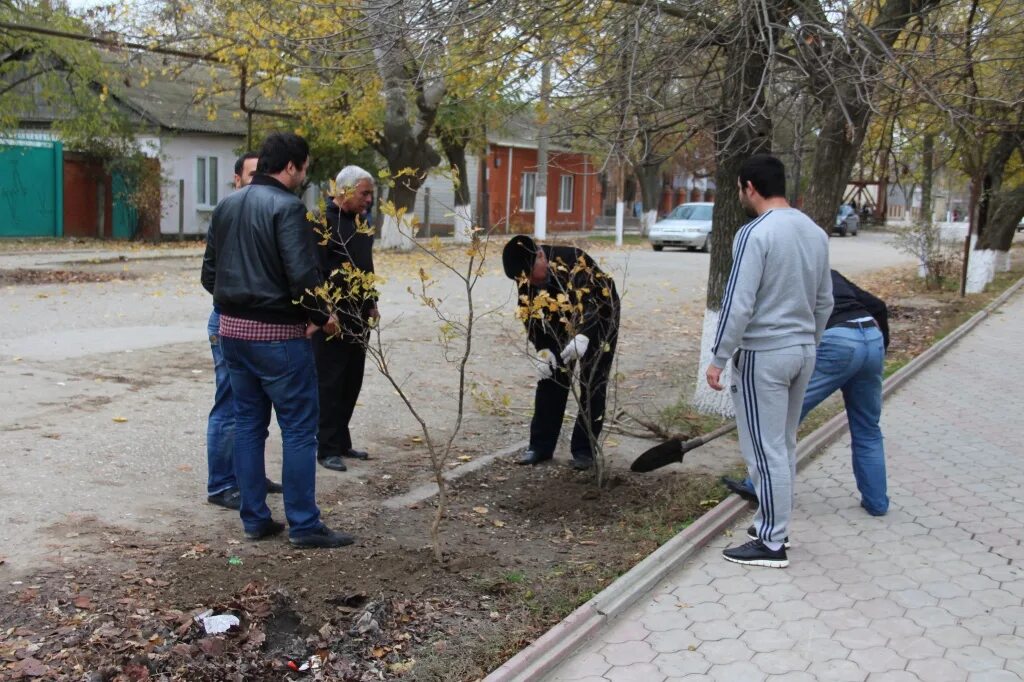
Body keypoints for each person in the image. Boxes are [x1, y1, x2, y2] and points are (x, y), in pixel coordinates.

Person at [201, 132, 353, 549]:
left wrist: (236, 305)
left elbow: (208, 276)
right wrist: (322, 317)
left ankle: (255, 519)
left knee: (249, 425)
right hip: (278, 338)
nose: (305, 176)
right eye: (304, 168)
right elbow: (303, 277)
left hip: (232, 333)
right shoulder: (288, 208)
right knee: (300, 430)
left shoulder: (227, 205)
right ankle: (304, 524)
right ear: (291, 167)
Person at [705, 153, 832, 568]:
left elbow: (738, 304)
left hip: (765, 354)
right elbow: (824, 301)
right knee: (784, 444)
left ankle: (772, 542)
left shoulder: (753, 233)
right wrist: (807, 342)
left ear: (749, 187)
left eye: (741, 189)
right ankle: (772, 526)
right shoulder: (813, 231)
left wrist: (718, 358)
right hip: (803, 351)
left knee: (764, 449)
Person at [721, 269, 890, 516]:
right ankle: (877, 503)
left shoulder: (780, 277)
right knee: (868, 428)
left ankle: (758, 488)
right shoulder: (826, 271)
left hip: (836, 343)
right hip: (870, 338)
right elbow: (878, 305)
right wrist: (880, 350)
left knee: (780, 419)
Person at [206, 152, 284, 510]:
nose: (258, 181)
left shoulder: (266, 212)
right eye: (252, 174)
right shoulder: (228, 213)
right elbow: (209, 275)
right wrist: (240, 302)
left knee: (254, 407)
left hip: (252, 325)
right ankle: (222, 484)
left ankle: (249, 476)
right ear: (237, 178)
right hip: (230, 323)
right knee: (230, 403)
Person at [502, 235, 619, 470]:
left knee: (592, 382)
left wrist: (584, 335)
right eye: (525, 279)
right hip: (561, 319)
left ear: (541, 256)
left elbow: (593, 303)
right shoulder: (526, 275)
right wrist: (543, 349)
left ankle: (584, 450)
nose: (530, 282)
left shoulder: (574, 261)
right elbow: (530, 312)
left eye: (532, 275)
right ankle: (540, 447)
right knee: (551, 379)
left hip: (600, 318)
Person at [313, 165, 379, 473]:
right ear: (345, 190)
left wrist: (372, 302)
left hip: (358, 316)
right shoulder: (321, 222)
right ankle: (326, 448)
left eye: (370, 194)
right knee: (330, 383)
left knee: (352, 380)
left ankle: (341, 440)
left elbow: (366, 266)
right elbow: (315, 271)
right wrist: (325, 311)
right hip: (332, 319)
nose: (369, 200)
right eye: (364, 193)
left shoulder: (362, 223)